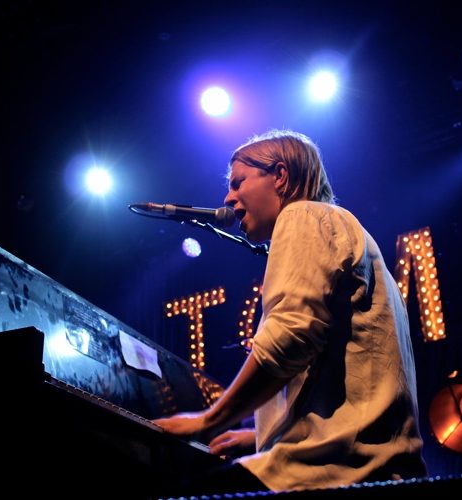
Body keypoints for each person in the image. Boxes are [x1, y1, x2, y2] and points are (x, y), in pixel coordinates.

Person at [153, 129, 427, 495]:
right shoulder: (348, 235)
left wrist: (209, 419)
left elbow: (290, 338)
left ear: (280, 176)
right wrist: (259, 435)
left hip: (332, 472)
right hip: (376, 466)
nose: (228, 198)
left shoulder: (302, 215)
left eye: (238, 182)